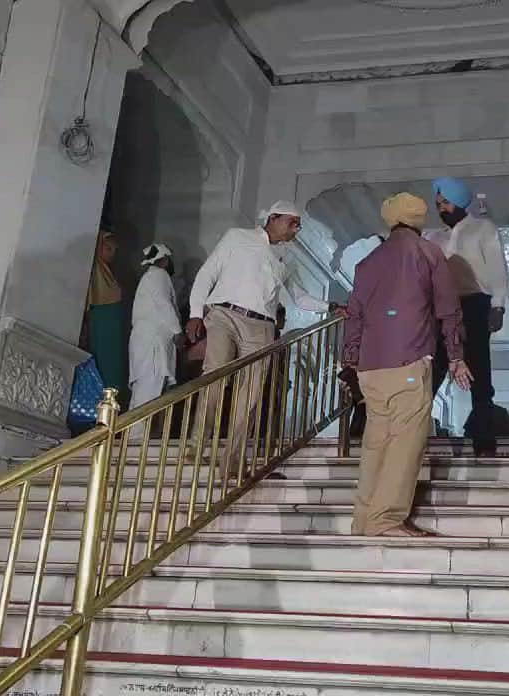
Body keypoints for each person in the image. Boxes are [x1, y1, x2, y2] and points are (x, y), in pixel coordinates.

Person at [343, 192, 472, 537]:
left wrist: (351, 358)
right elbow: (448, 310)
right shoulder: (428, 253)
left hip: (370, 367)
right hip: (409, 360)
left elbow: (354, 314)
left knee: (376, 443)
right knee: (405, 444)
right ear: (418, 219)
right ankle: (385, 520)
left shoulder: (367, 262)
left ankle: (363, 520)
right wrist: (456, 356)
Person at [185, 200, 332, 473]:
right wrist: (195, 313)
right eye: (292, 222)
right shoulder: (237, 237)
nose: (296, 229)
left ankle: (232, 461)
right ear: (273, 218)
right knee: (215, 377)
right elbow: (207, 274)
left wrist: (330, 306)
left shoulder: (287, 257)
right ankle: (196, 445)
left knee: (251, 393)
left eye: (298, 225)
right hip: (224, 316)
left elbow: (299, 297)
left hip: (262, 326)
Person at [430, 176, 509, 458]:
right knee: (434, 368)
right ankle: (414, 435)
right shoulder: (434, 237)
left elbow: (497, 267)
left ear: (460, 201)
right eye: (438, 203)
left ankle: (484, 442)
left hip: (476, 304)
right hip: (442, 309)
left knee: (479, 371)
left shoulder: (483, 228)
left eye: (446, 202)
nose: (441, 208)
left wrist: (498, 305)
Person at [128, 243, 182, 409]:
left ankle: (133, 427)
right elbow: (164, 304)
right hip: (153, 346)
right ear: (164, 260)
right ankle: (137, 428)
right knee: (148, 396)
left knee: (142, 395)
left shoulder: (150, 277)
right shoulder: (159, 275)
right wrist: (178, 331)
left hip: (146, 343)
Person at [84, 230, 128, 396]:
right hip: (101, 324)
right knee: (102, 364)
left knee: (113, 363)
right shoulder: (94, 270)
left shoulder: (107, 273)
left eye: (114, 250)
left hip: (112, 327)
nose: (112, 254)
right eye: (108, 248)